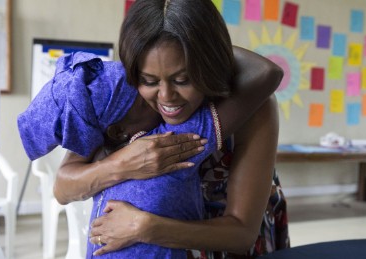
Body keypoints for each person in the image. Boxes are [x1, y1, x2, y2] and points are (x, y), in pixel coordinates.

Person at [54, 0, 287, 257]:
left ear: (209, 65)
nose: (166, 97)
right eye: (149, 81)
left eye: (182, 79)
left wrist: (144, 227)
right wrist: (123, 164)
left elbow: (241, 234)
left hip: (223, 239)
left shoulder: (251, 105)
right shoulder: (120, 97)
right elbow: (64, 188)